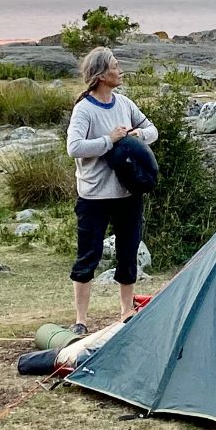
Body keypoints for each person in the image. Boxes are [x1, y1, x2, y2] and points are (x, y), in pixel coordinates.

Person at [65, 47, 158, 336]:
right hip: (94, 196)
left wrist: (138, 135)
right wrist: (109, 140)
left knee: (128, 252)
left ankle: (127, 313)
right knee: (88, 256)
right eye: (115, 66)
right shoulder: (85, 109)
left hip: (127, 195)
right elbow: (74, 147)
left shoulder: (125, 104)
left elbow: (152, 130)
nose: (120, 71)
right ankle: (81, 320)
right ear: (101, 75)